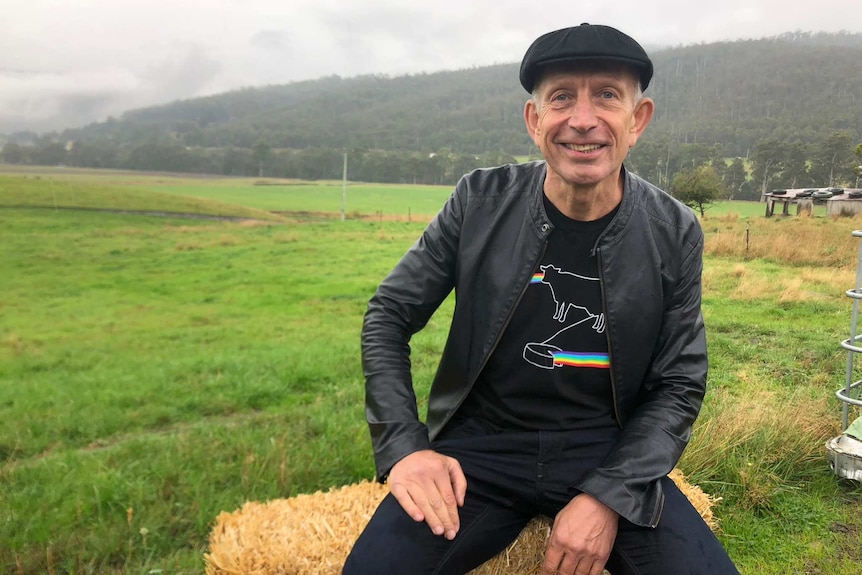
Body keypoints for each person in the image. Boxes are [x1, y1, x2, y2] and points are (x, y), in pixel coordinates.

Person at [343, 23, 739, 575]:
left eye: (606, 95)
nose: (582, 119)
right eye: (561, 98)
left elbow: (679, 383)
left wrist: (610, 494)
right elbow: (388, 315)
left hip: (607, 449)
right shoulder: (479, 201)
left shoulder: (673, 230)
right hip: (481, 450)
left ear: (637, 119)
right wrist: (405, 448)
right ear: (535, 121)